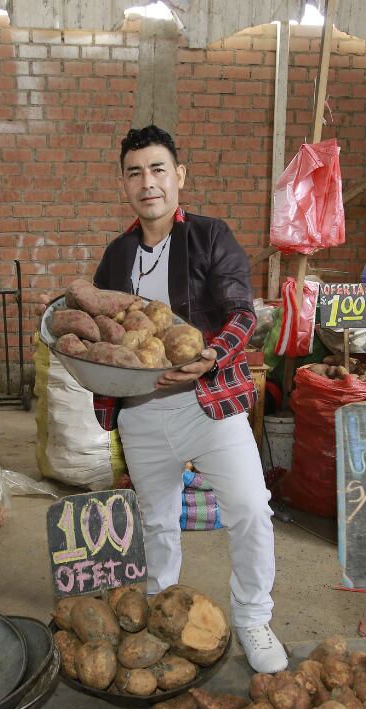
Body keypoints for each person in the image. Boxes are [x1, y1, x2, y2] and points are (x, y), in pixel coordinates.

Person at [91, 125, 287, 673]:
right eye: (135, 173)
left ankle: (252, 616)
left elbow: (241, 311)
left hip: (208, 405)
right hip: (140, 414)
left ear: (178, 176)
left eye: (158, 170)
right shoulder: (116, 256)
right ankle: (161, 611)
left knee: (249, 508)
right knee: (156, 521)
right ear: (124, 184)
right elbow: (102, 336)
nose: (147, 183)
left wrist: (213, 356)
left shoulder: (209, 236)